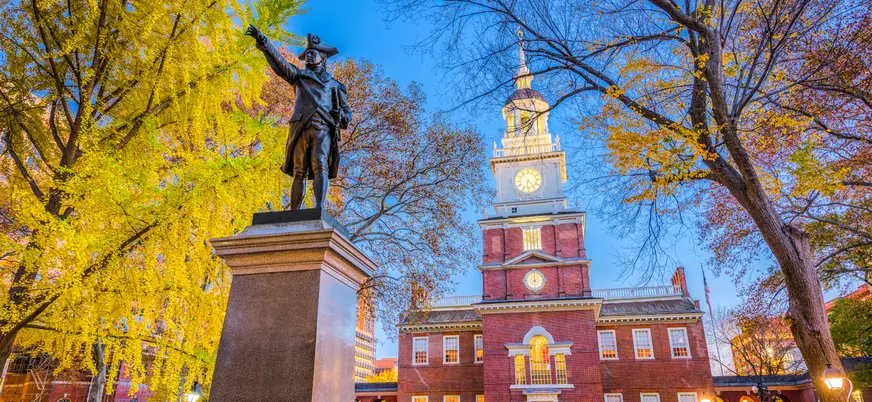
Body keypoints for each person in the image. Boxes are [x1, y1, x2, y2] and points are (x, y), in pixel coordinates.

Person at [245, 25, 352, 209]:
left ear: (323, 57)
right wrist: (264, 42)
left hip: (323, 128)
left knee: (320, 164)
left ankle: (319, 208)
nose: (308, 56)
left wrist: (341, 115)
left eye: (312, 53)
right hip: (301, 127)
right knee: (299, 170)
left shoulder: (336, 85)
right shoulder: (299, 76)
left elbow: (347, 113)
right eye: (307, 53)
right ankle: (294, 211)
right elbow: (281, 64)